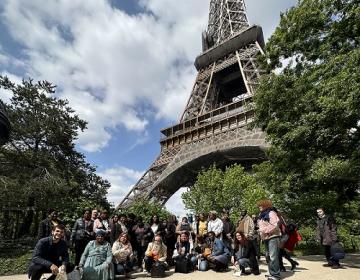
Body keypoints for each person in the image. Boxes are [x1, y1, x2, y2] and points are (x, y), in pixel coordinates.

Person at [257, 200, 281, 280]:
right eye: (259, 205)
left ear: (266, 206)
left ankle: (276, 275)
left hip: (273, 237)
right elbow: (261, 227)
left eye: (261, 205)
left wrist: (263, 230)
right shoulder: (261, 215)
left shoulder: (271, 213)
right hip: (266, 238)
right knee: (268, 256)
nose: (259, 207)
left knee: (273, 256)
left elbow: (275, 225)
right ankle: (272, 273)